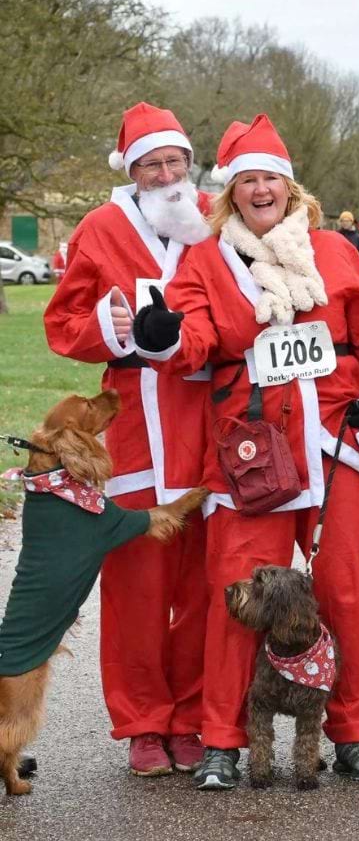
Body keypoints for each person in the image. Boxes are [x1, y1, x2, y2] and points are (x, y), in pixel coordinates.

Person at [129, 114, 359, 789]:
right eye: (248, 179)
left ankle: (354, 735)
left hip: (337, 444)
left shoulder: (336, 253)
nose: (261, 189)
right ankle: (223, 741)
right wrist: (161, 333)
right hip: (250, 454)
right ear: (231, 192)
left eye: (271, 178)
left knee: (349, 591)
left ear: (290, 186)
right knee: (238, 597)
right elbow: (189, 341)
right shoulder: (205, 261)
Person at [43, 102, 213, 776]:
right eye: (152, 163)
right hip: (134, 421)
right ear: (132, 170)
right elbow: (65, 324)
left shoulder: (213, 216)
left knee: (204, 582)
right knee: (136, 584)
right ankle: (145, 722)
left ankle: (195, 716)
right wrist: (114, 329)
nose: (166, 172)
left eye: (175, 160)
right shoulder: (101, 227)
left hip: (205, 417)